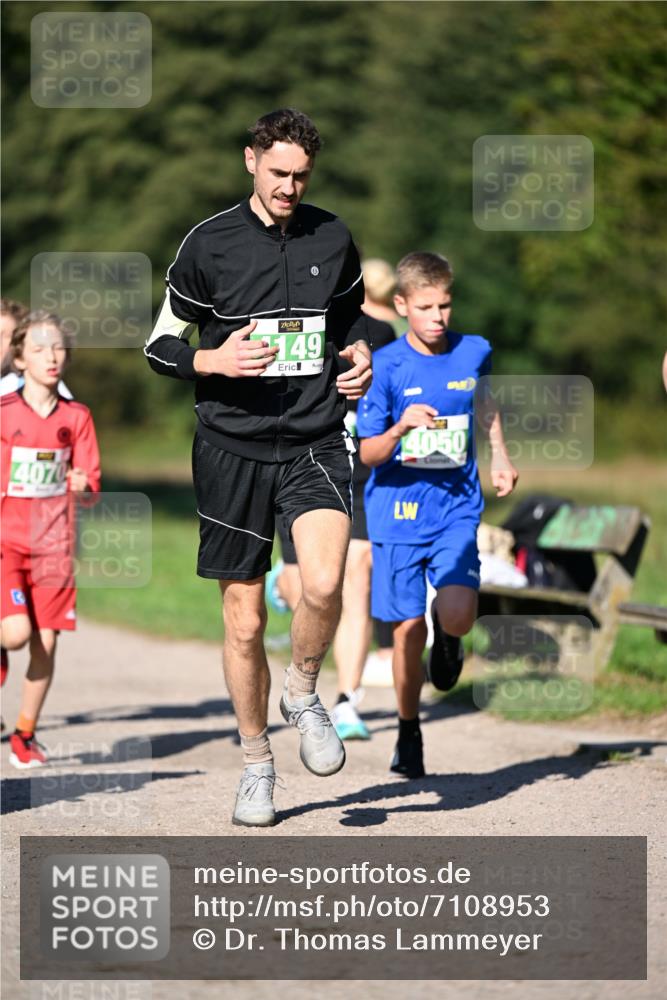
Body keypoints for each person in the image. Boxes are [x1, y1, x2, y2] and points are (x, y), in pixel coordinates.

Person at [144, 109, 372, 826]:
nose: (289, 188)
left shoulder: (332, 235)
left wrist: (362, 355)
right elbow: (159, 343)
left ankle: (303, 692)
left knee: (327, 580)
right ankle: (255, 766)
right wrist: (211, 359)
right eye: (277, 173)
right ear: (249, 161)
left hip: (313, 438)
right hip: (230, 447)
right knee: (243, 622)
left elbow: (351, 321)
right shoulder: (207, 244)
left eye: (301, 176)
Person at [357, 251, 518, 778]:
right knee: (405, 632)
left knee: (456, 613)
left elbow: (485, 404)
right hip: (395, 513)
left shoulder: (475, 352)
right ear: (401, 305)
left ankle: (448, 637)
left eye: (445, 305)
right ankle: (408, 727)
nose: (438, 317)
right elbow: (368, 453)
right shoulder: (385, 365)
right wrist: (402, 427)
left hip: (455, 506)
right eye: (425, 307)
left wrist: (500, 455)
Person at [1, 311, 101, 768]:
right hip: (6, 542)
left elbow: (91, 489)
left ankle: (24, 734)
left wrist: (83, 487)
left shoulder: (77, 417)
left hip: (54, 547)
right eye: (39, 349)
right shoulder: (4, 414)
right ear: (19, 359)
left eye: (58, 347)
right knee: (17, 634)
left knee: (47, 642)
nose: (51, 357)